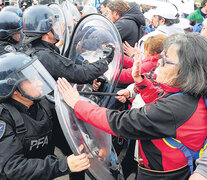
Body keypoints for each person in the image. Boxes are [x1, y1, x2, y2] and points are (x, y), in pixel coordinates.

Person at [57, 33, 207, 180]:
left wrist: (78, 104)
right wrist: (141, 82)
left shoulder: (176, 109)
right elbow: (161, 100)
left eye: (166, 60)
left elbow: (121, 122)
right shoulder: (188, 96)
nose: (159, 63)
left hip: (164, 174)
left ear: (187, 71)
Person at [0, 52, 90, 180]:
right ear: (14, 90)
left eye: (38, 77)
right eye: (32, 80)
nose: (40, 83)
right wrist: (62, 165)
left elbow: (59, 135)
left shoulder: (42, 104)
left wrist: (81, 145)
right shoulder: (4, 118)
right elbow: (13, 168)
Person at [22, 5, 114, 83]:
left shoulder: (36, 48)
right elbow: (78, 74)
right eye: (55, 24)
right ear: (46, 31)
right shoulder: (44, 56)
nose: (60, 27)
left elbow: (67, 63)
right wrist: (105, 61)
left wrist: (86, 64)